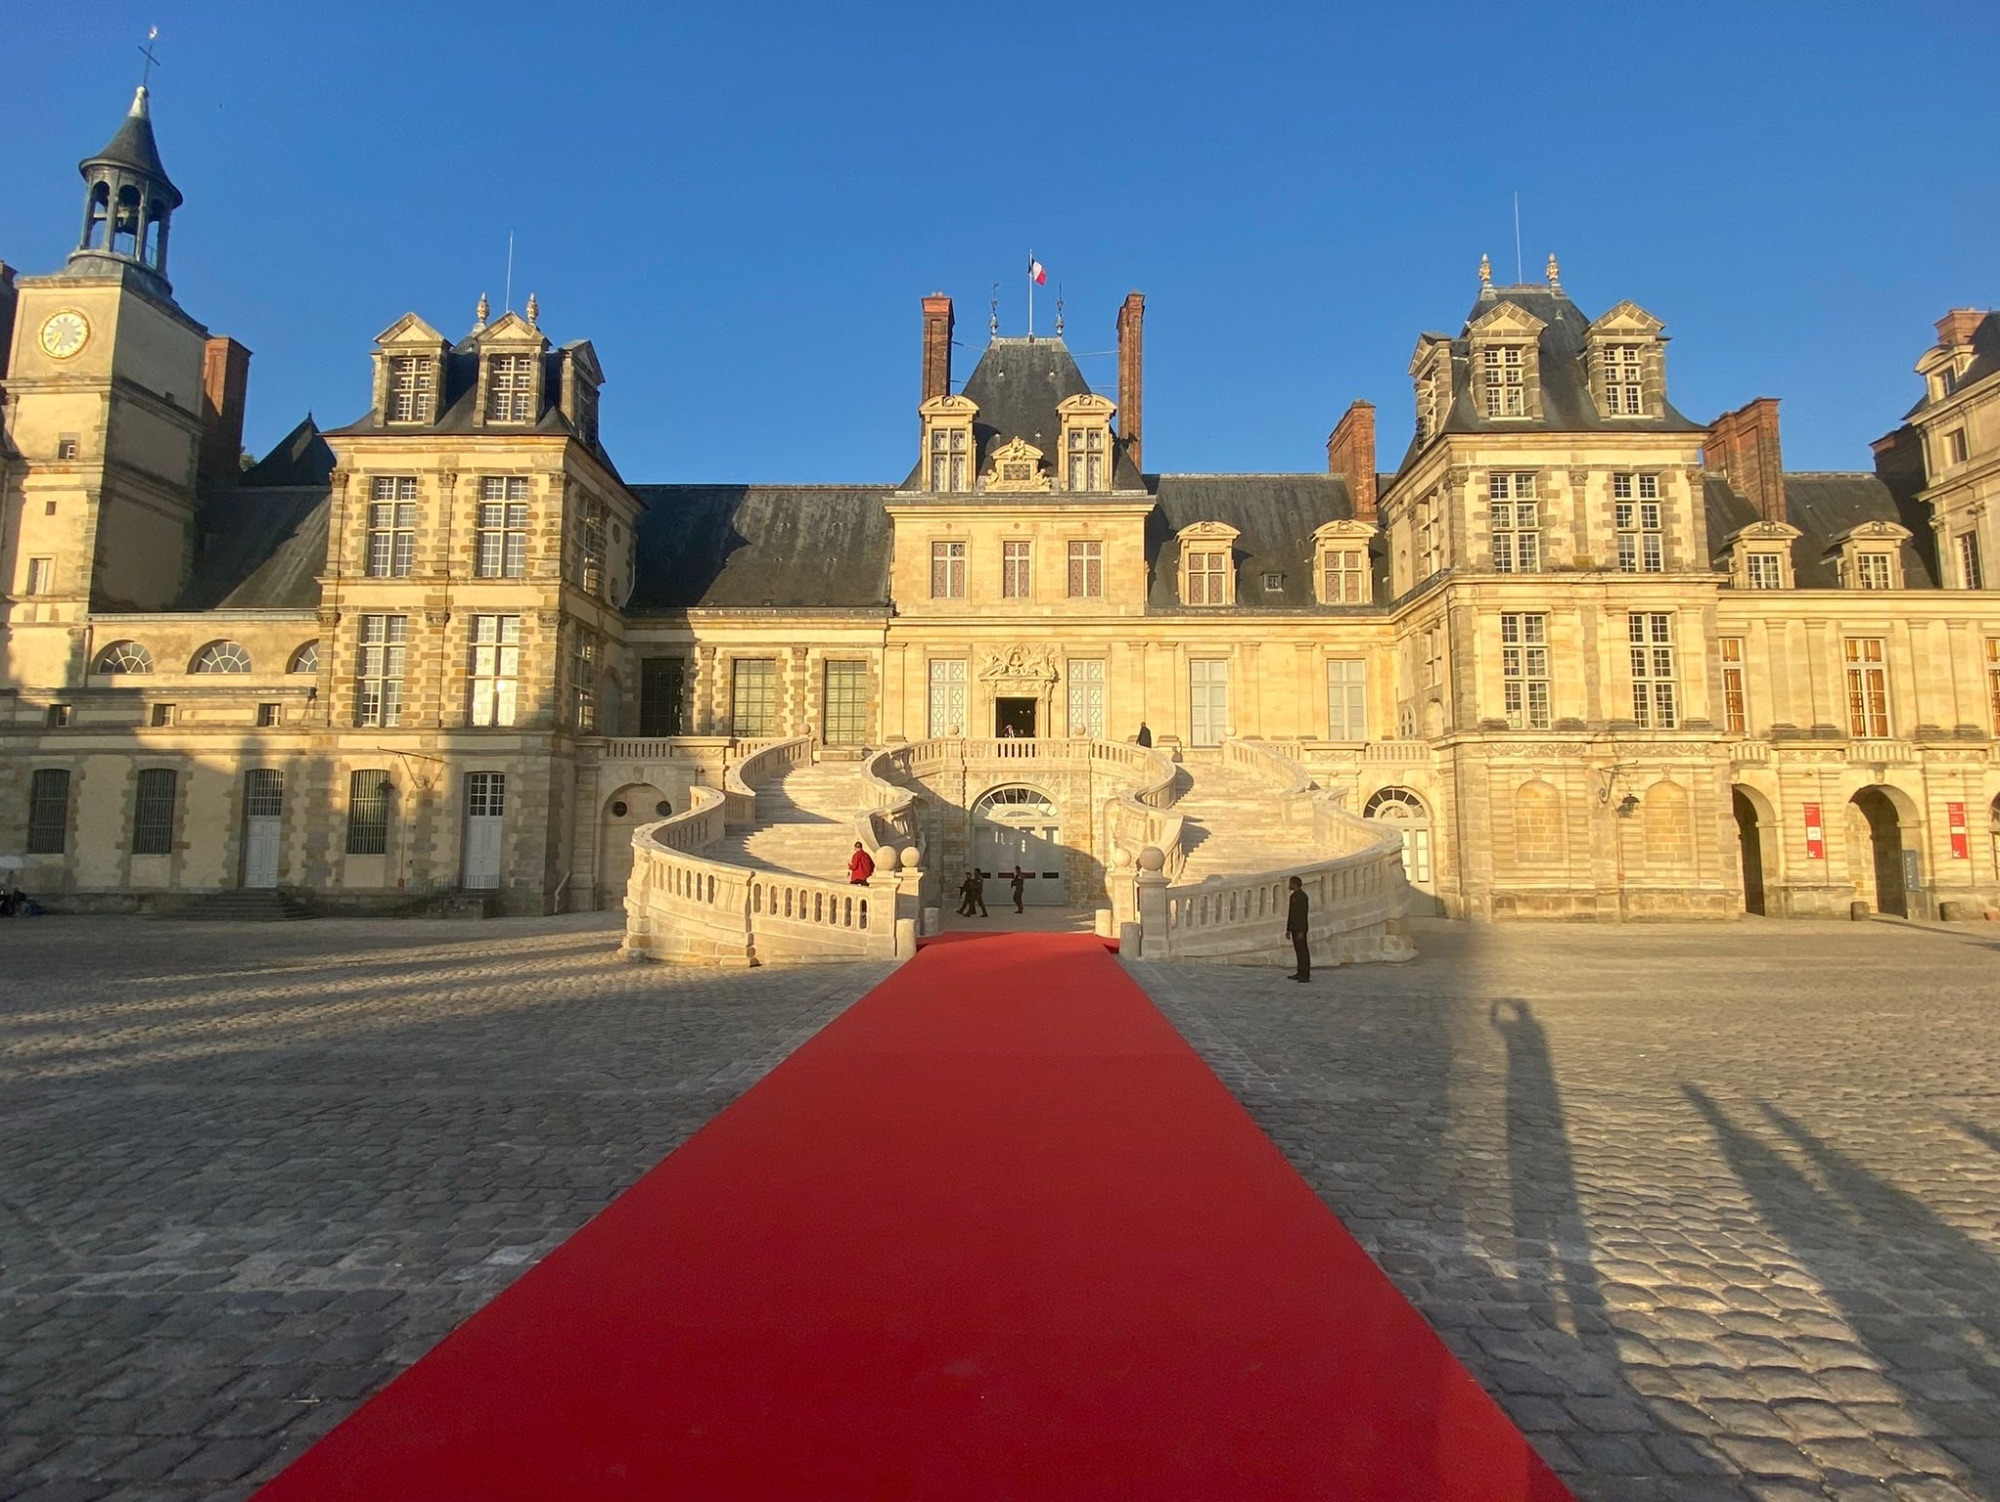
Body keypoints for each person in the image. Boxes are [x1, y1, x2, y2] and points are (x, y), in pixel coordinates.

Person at [1285, 875, 1310, 981]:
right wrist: (1289, 929)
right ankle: (1300, 972)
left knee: (1303, 951)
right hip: (1295, 927)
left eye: (1290, 883)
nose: (1289, 885)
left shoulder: (1302, 896)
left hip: (1300, 928)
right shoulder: (1293, 896)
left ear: (1294, 884)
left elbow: (1302, 914)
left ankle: (1305, 974)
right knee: (1298, 951)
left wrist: (1302, 930)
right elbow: (1291, 914)